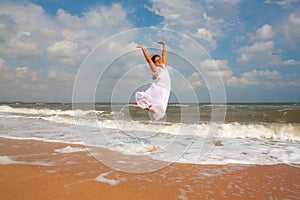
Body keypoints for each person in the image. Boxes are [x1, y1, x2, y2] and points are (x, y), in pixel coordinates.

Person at [133, 41, 171, 120]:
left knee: (161, 105)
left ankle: (145, 106)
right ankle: (144, 105)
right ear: (155, 63)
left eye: (159, 59)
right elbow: (149, 60)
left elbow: (164, 55)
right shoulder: (156, 69)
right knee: (159, 103)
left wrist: (164, 45)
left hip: (166, 88)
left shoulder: (163, 65)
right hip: (160, 88)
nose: (159, 61)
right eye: (156, 61)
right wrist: (143, 49)